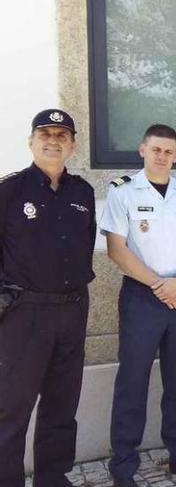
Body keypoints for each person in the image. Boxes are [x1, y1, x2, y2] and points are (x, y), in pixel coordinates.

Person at [101, 124, 176, 486]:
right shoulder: (123, 192)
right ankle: (123, 467)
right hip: (142, 298)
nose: (162, 156)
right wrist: (159, 285)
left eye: (169, 151)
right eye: (156, 149)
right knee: (132, 382)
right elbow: (117, 249)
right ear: (142, 150)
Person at [0, 109, 95, 487]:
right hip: (25, 312)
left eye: (62, 135)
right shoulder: (9, 191)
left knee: (62, 403)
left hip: (72, 309)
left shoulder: (82, 192)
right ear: (31, 141)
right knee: (12, 407)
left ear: (72, 145)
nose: (53, 140)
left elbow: (85, 245)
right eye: (45, 133)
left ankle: (53, 478)